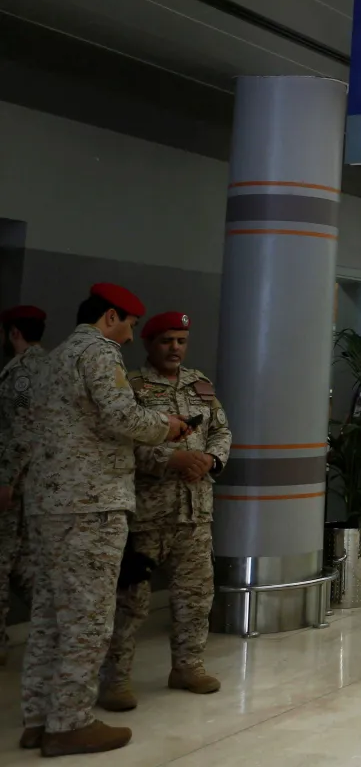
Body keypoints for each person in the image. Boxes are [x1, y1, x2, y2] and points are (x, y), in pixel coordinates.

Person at [19, 284, 189, 756]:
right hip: (91, 502)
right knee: (89, 618)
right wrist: (165, 427)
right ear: (111, 316)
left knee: (50, 615)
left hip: (48, 501)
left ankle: (38, 718)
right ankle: (70, 722)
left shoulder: (52, 359)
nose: (132, 336)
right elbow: (120, 417)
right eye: (131, 324)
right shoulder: (99, 351)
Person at [99, 312, 231, 712]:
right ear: (149, 344)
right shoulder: (132, 386)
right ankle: (116, 680)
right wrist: (169, 459)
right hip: (146, 515)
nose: (175, 348)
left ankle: (188, 666)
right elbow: (122, 440)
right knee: (130, 602)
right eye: (166, 341)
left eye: (181, 341)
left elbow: (222, 430)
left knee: (195, 596)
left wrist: (209, 459)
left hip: (195, 513)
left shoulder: (200, 384)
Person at [0, 305, 47, 664]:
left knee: (7, 559)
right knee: (25, 562)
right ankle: (57, 627)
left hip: (16, 481)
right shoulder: (49, 366)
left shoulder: (23, 372)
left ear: (14, 332)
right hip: (37, 481)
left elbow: (22, 431)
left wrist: (6, 480)